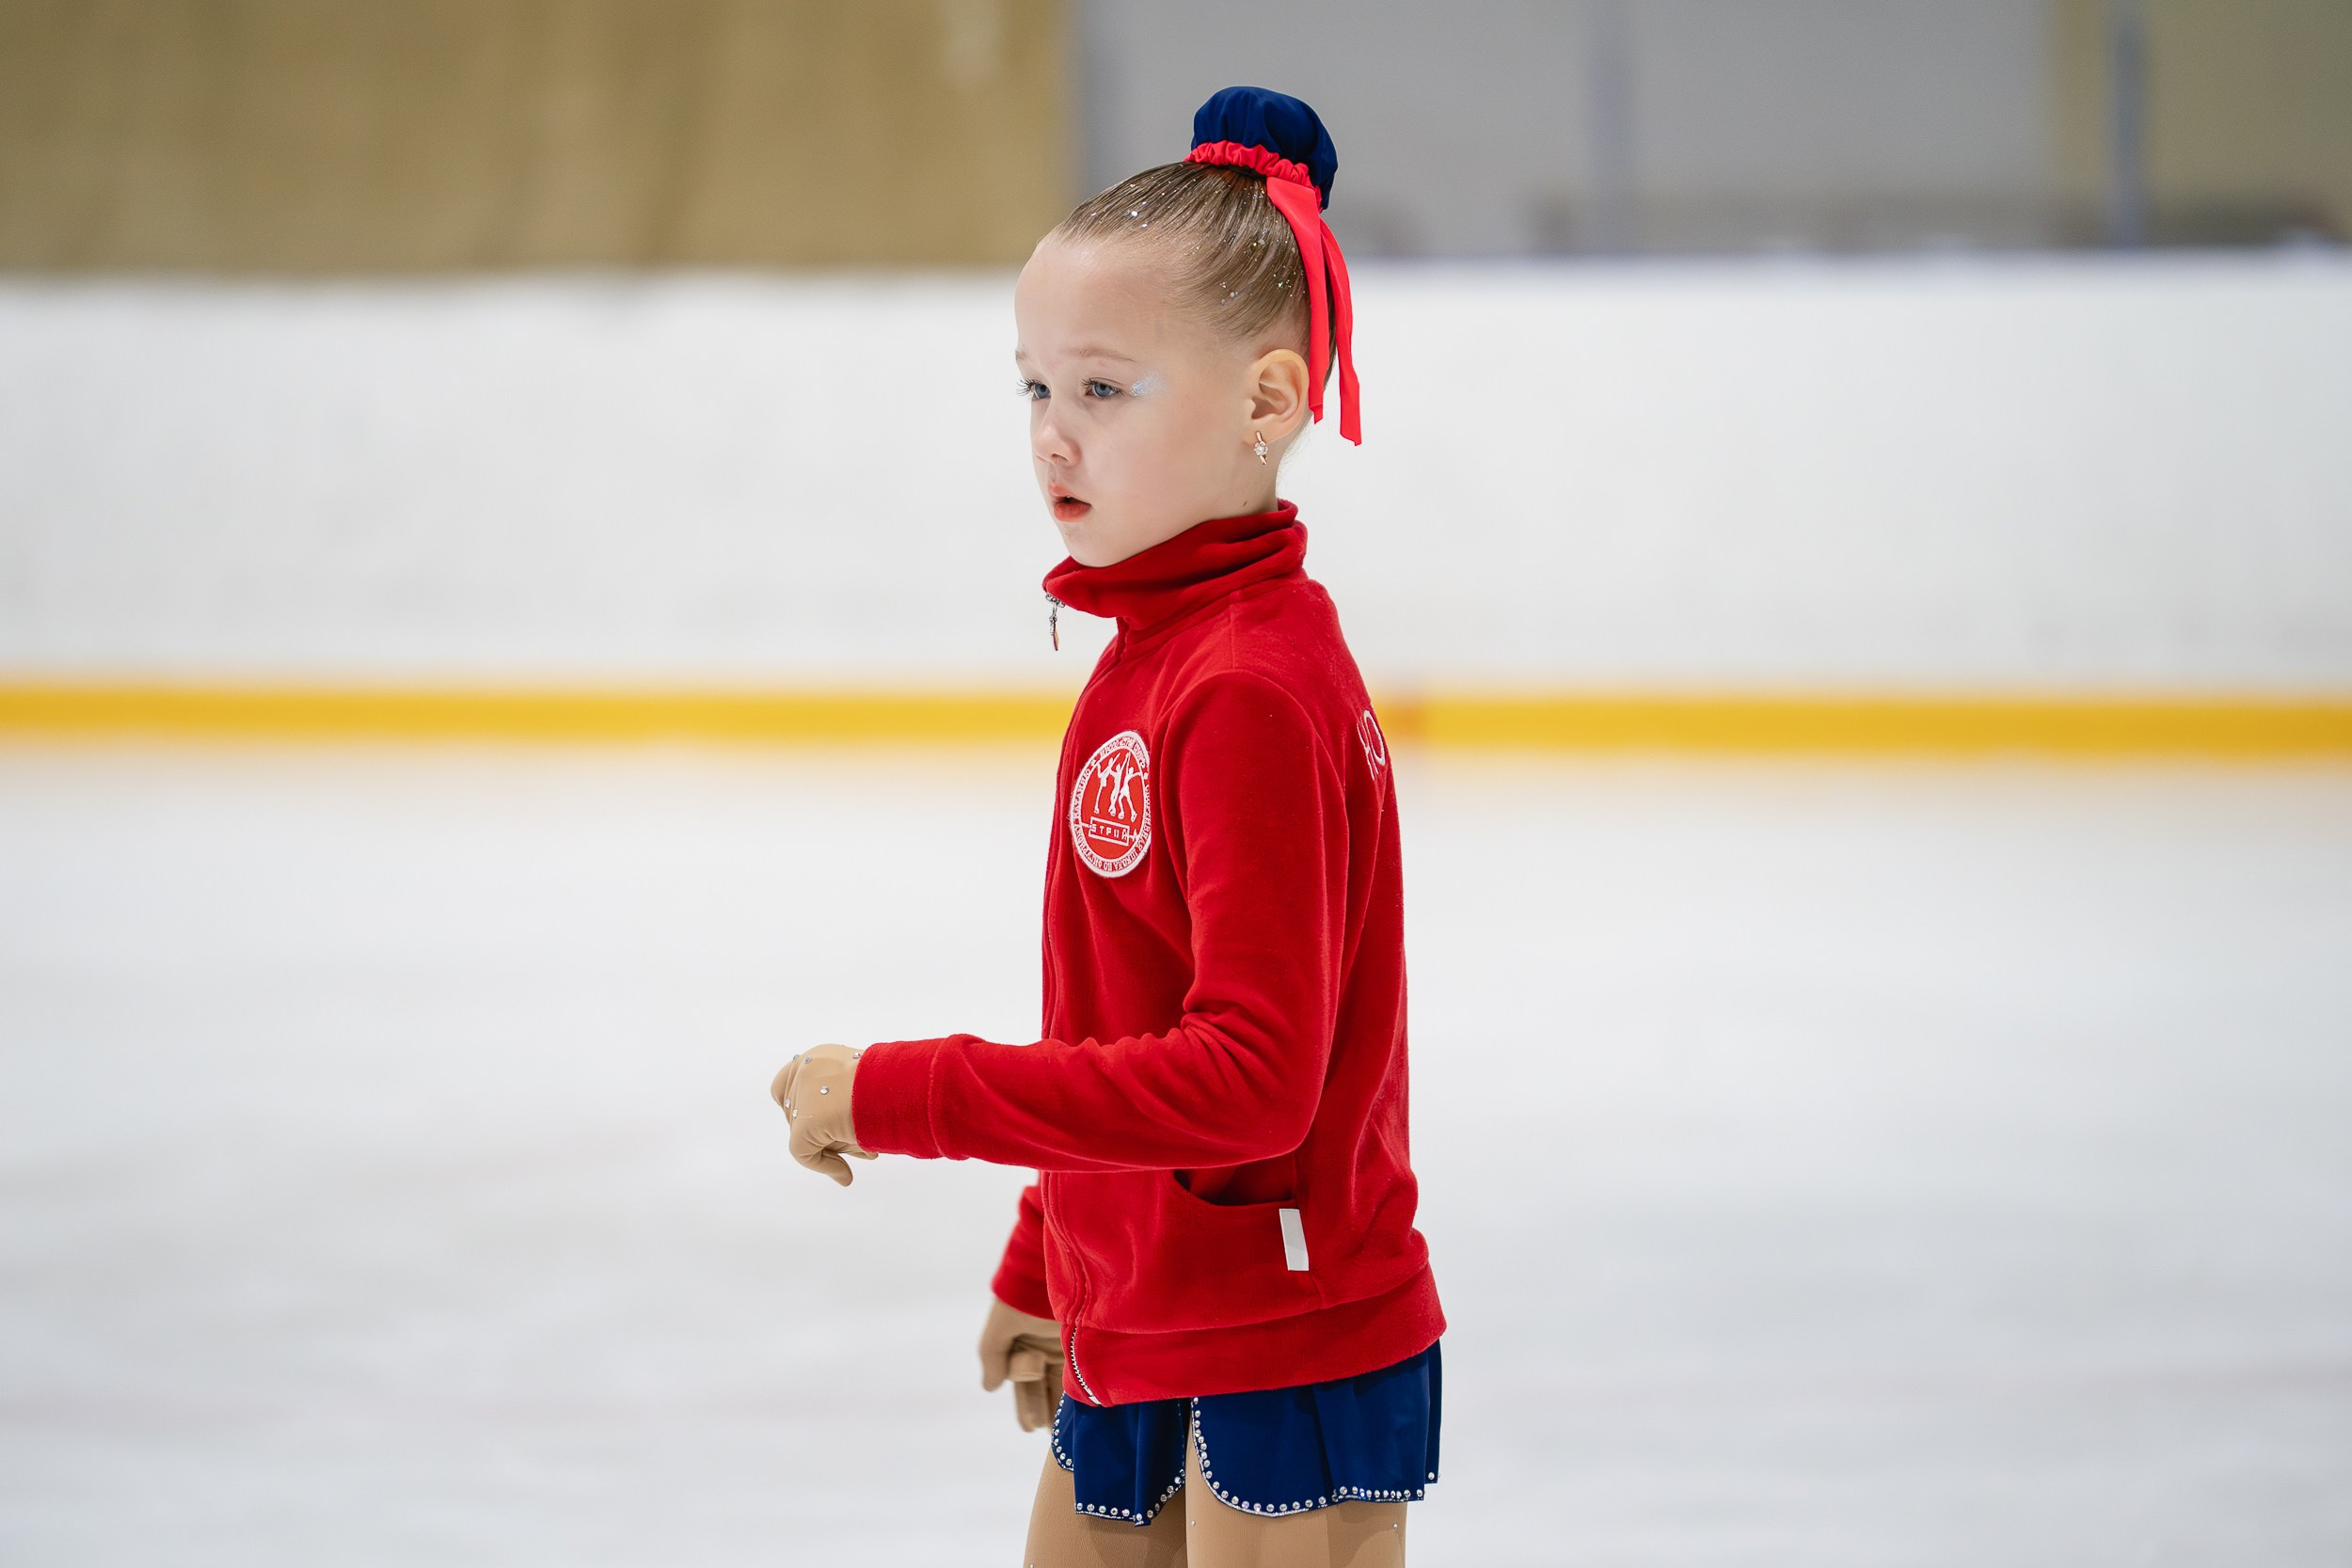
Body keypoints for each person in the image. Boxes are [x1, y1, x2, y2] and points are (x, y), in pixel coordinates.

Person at [771, 87, 1441, 1568]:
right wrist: (1053, 1254)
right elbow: (1120, 1007)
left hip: (1287, 1333)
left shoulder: (1252, 685)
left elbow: (1254, 1081)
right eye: (1035, 389)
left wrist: (902, 1094)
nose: (1052, 438)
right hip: (1143, 1303)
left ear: (1269, 405)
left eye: (1105, 391)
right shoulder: (1153, 652)